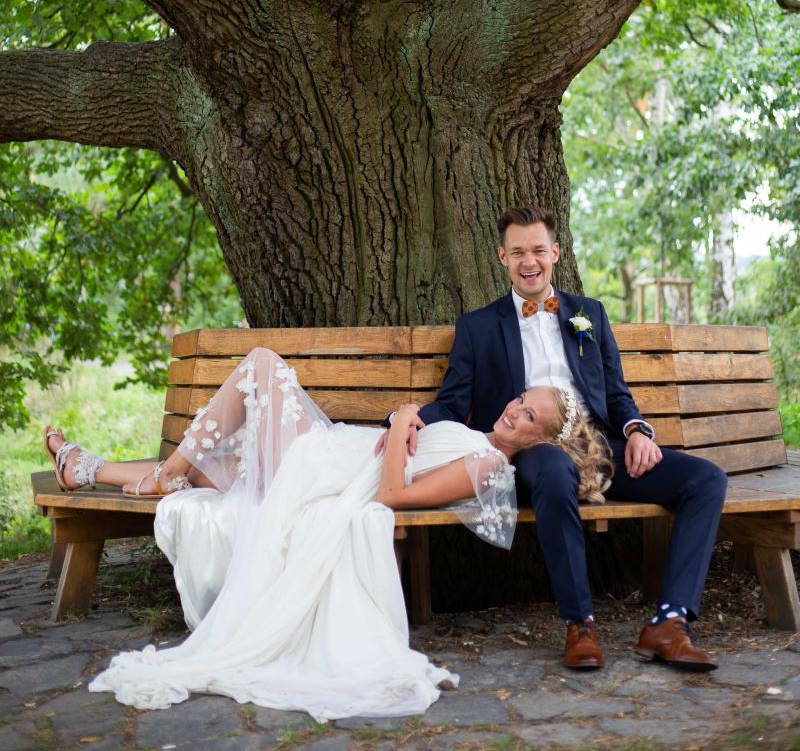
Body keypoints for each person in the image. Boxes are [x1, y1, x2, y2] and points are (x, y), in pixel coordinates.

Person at [43, 346, 610, 720]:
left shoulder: (489, 467)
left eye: (529, 416)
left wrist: (403, 421)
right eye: (521, 400)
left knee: (262, 366)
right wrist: (404, 425)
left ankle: (164, 471)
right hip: (339, 454)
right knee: (216, 468)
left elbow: (392, 495)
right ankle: (84, 468)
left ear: (542, 440)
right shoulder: (477, 436)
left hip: (334, 474)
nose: (514, 411)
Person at [391, 205, 727, 672]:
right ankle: (580, 623)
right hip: (533, 449)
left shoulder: (590, 314)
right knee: (552, 470)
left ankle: (670, 623)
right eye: (517, 252)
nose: (529, 262)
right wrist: (404, 418)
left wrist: (636, 430)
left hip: (599, 447)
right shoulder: (478, 327)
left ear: (555, 252)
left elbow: (616, 393)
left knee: (706, 480)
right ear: (502, 257)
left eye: (537, 250)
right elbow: (451, 403)